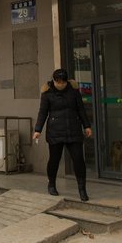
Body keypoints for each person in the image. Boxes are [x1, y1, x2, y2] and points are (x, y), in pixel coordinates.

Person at [33, 68, 93, 202]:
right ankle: (51, 184)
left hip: (73, 129)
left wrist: (87, 126)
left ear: (67, 81)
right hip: (55, 131)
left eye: (63, 82)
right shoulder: (47, 93)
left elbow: (81, 109)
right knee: (54, 159)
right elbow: (43, 112)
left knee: (78, 160)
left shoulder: (74, 91)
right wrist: (38, 130)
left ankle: (82, 189)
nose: (60, 84)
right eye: (58, 82)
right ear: (54, 81)